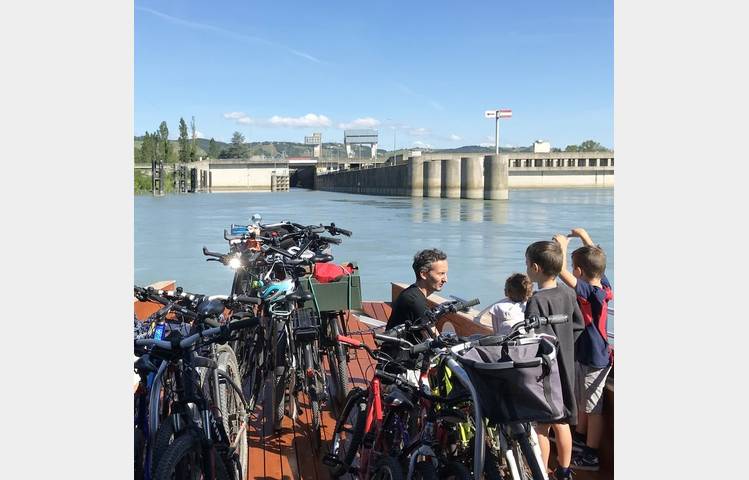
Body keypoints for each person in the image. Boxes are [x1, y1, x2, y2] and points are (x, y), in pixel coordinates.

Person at [553, 228, 613, 472]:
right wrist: (585, 237)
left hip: (594, 356)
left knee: (593, 408)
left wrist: (562, 247)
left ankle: (591, 454)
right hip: (590, 353)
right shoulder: (605, 285)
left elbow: (560, 272)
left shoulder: (590, 292)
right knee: (584, 401)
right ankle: (579, 438)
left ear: (579, 271)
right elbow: (598, 262)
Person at [524, 240, 585, 480]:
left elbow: (531, 339)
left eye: (527, 264)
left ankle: (541, 471)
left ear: (536, 268)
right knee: (562, 421)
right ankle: (564, 471)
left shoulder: (536, 301)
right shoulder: (569, 293)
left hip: (546, 372)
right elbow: (578, 325)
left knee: (541, 425)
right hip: (566, 365)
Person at [386, 248, 448, 338]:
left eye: (445, 274)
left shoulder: (412, 293)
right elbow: (434, 338)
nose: (445, 279)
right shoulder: (415, 301)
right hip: (402, 352)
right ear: (423, 274)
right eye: (441, 274)